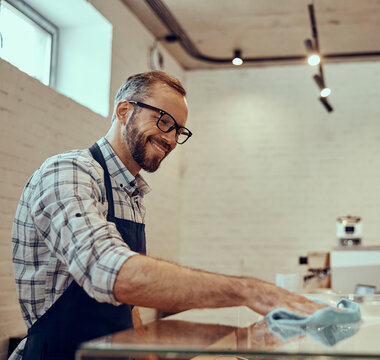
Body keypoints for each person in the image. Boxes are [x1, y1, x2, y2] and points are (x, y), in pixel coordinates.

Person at [10, 70, 324, 360]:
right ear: (124, 111)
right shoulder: (68, 172)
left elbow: (125, 304)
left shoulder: (131, 194)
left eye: (178, 129)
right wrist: (250, 290)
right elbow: (108, 269)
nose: (171, 139)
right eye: (163, 120)